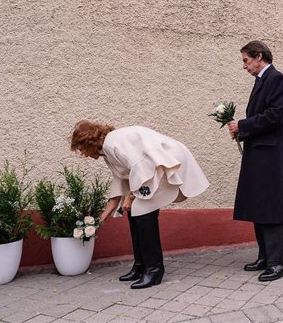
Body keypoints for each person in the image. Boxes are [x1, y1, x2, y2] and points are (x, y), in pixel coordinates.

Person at [71, 120, 209, 289]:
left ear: (88, 142)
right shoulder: (107, 151)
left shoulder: (113, 144)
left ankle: (154, 270)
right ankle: (140, 266)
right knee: (135, 213)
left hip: (167, 161)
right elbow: (120, 183)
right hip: (153, 167)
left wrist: (130, 198)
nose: (83, 154)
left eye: (81, 149)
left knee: (143, 212)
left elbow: (141, 167)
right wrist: (101, 218)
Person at [227, 40, 283, 282]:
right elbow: (261, 117)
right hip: (259, 154)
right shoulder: (261, 81)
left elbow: (274, 116)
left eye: (246, 60)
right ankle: (265, 256)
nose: (245, 66)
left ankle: (279, 263)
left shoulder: (276, 79)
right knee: (259, 206)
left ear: (259, 57)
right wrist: (241, 130)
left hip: (271, 156)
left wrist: (243, 125)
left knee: (271, 208)